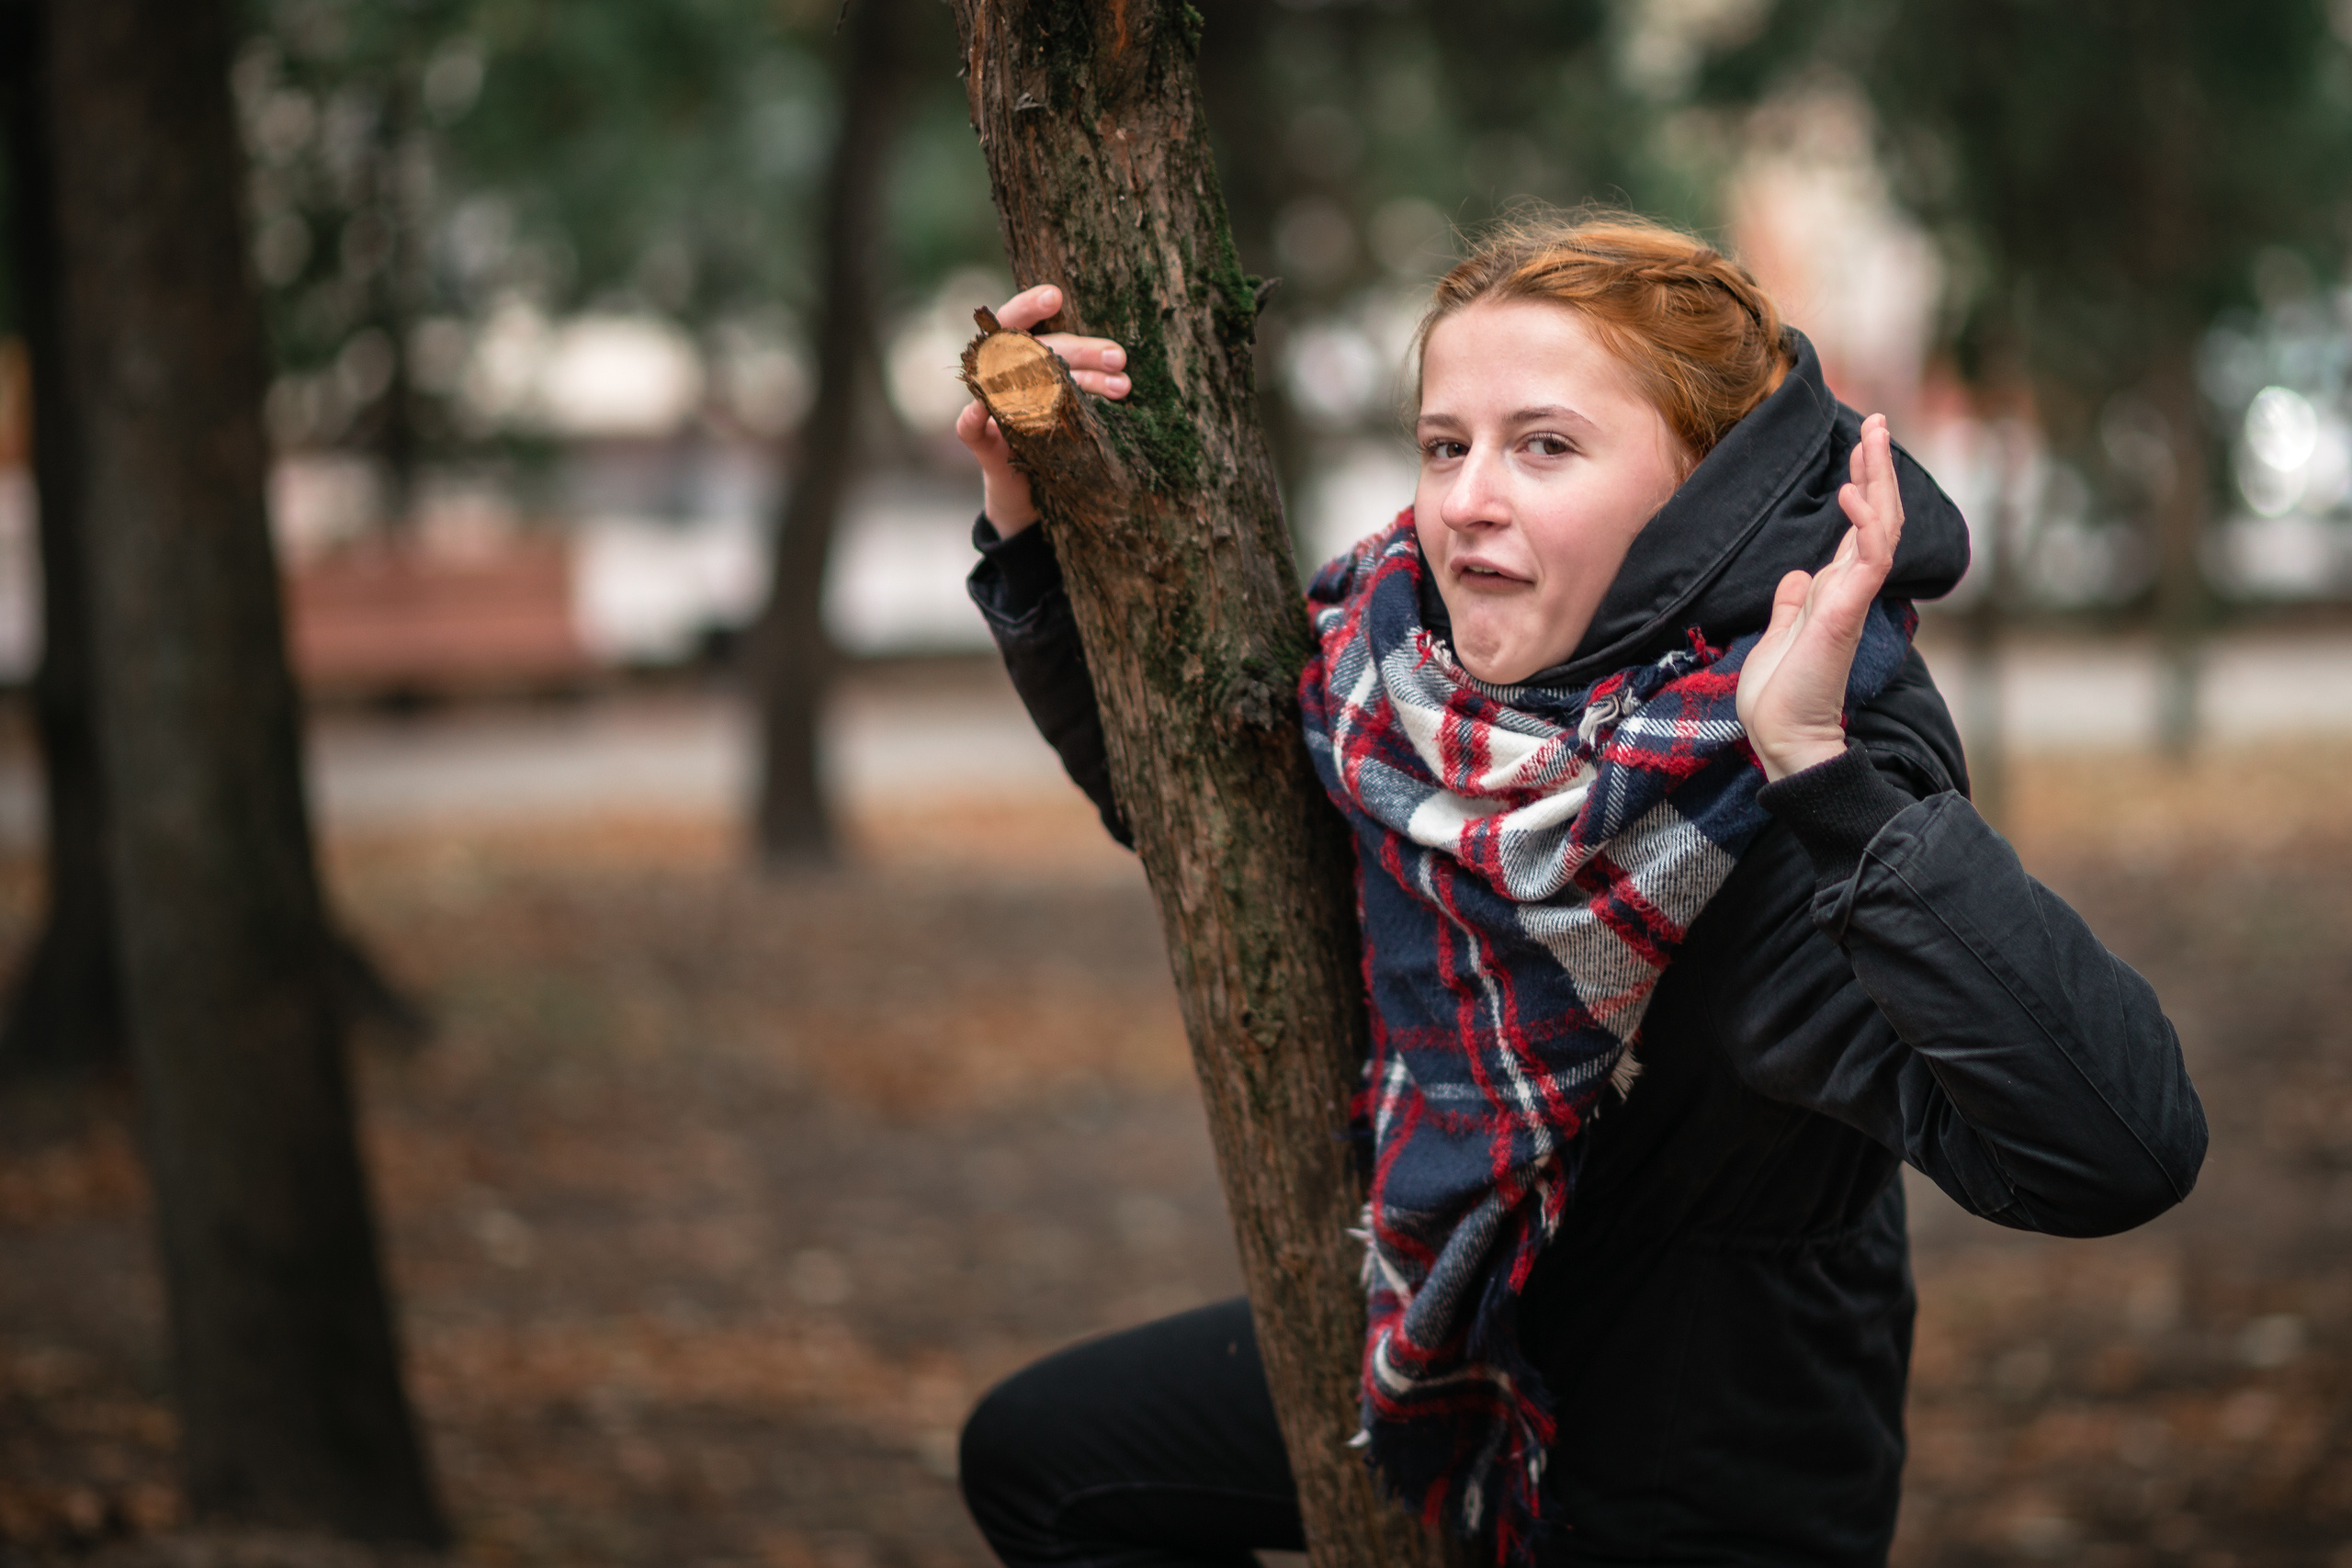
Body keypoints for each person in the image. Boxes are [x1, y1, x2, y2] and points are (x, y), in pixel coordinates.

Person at [948, 213, 2206, 1568]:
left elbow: (2121, 1152)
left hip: (1691, 1484)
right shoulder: (1402, 681)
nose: (1465, 499)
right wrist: (1032, 518)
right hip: (1453, 1340)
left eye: (1543, 445)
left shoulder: (1787, 780)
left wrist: (1822, 778)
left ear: (1701, 491)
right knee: (1044, 1460)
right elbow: (1212, 823)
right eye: (1446, 444)